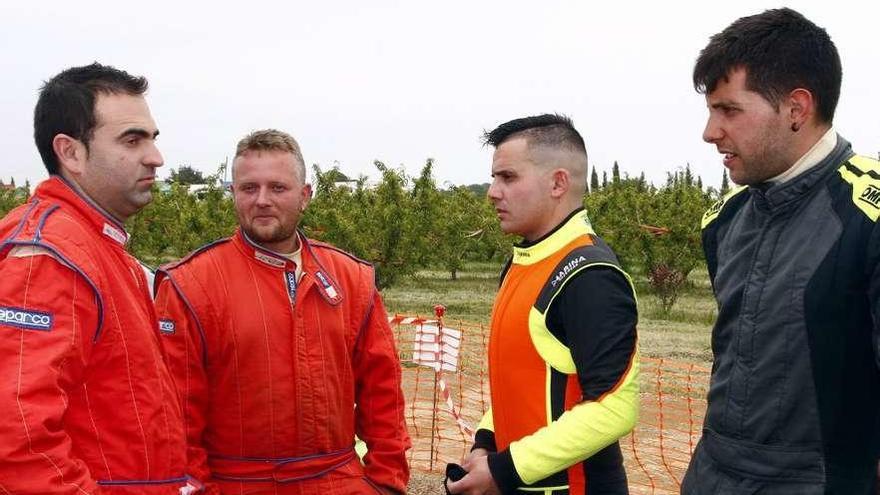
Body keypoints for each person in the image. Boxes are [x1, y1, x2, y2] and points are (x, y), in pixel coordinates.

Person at [682, 8, 880, 493]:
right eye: (710, 111)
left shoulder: (868, 216)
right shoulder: (723, 220)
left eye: (728, 110)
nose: (710, 132)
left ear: (796, 108)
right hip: (711, 474)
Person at [153, 129, 410, 494]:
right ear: (233, 193)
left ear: (305, 196)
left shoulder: (353, 279)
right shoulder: (190, 284)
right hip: (238, 484)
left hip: (338, 481)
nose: (261, 200)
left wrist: (386, 482)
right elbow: (176, 416)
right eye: (248, 188)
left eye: (278, 188)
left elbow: (383, 393)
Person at [0, 63, 198, 494]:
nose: (156, 157)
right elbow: (17, 434)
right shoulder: (48, 256)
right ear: (70, 152)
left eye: (152, 138)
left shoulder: (103, 249)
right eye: (132, 139)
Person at [448, 114, 639, 494]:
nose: (492, 192)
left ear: (558, 183)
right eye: (493, 178)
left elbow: (615, 407)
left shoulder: (590, 275)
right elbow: (524, 382)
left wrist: (504, 470)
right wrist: (486, 442)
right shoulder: (525, 261)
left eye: (508, 177)